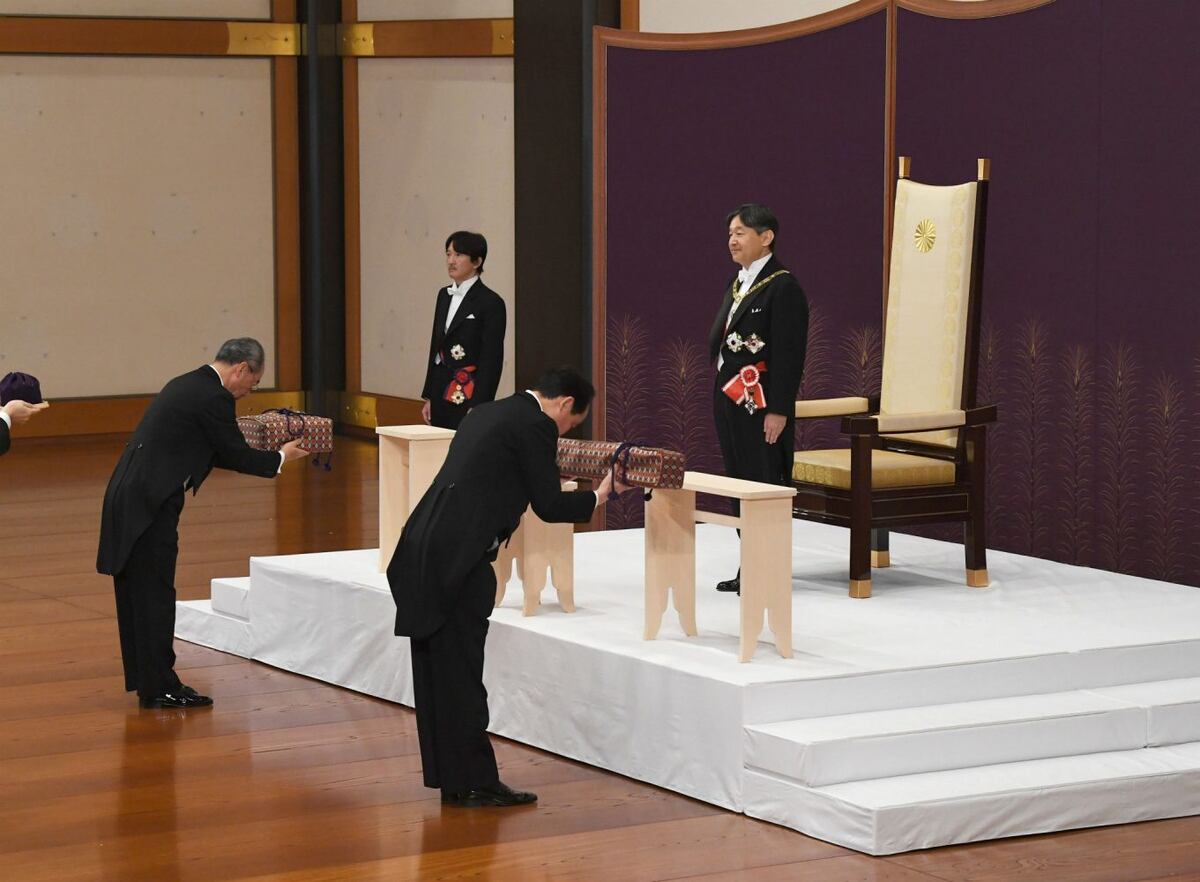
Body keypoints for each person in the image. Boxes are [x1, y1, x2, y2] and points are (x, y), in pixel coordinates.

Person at [388, 367, 630, 807]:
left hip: (423, 550)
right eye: (570, 424)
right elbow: (551, 505)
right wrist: (602, 494)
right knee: (462, 675)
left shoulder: (488, 412)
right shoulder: (536, 425)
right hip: (459, 563)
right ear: (563, 405)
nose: (562, 432)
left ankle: (453, 779)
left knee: (435, 674)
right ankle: (476, 782)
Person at [96, 338, 309, 709]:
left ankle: (151, 681)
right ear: (242, 368)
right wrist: (280, 457)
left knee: (138, 596)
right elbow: (232, 453)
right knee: (155, 596)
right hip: (149, 505)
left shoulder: (188, 383)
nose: (248, 392)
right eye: (253, 383)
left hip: (130, 497)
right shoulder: (214, 397)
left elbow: (213, 448)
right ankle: (160, 686)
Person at [707, 203, 809, 595]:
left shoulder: (784, 286)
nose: (732, 240)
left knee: (762, 481)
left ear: (766, 237)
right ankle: (749, 564)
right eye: (730, 233)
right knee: (739, 481)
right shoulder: (741, 282)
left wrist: (779, 409)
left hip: (762, 402)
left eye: (741, 233)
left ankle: (768, 569)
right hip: (730, 396)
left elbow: (788, 354)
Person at [420, 231, 507, 429]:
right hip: (440, 386)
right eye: (448, 254)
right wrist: (429, 395)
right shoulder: (444, 295)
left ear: (476, 262)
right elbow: (436, 346)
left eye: (458, 255)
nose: (451, 261)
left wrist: (480, 405)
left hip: (469, 388)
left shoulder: (491, 302)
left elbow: (492, 358)